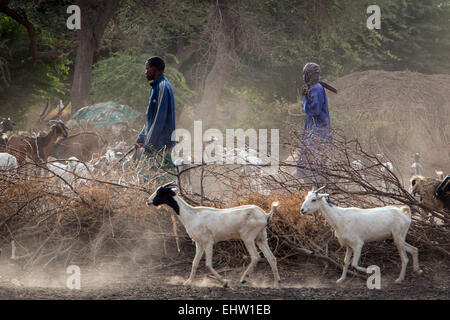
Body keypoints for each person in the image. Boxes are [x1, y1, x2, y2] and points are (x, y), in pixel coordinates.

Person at [136, 56, 176, 182]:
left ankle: (147, 199)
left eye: (147, 68)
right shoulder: (158, 87)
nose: (145, 72)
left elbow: (159, 118)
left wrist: (149, 143)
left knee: (143, 175)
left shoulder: (162, 87)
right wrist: (141, 137)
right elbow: (151, 119)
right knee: (167, 177)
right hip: (162, 142)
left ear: (154, 69)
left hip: (159, 143)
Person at [296, 62, 337, 183]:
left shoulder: (316, 89)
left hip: (318, 134)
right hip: (316, 132)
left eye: (305, 73)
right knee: (307, 164)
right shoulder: (315, 88)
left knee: (312, 165)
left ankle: (315, 190)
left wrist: (304, 99)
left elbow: (314, 110)